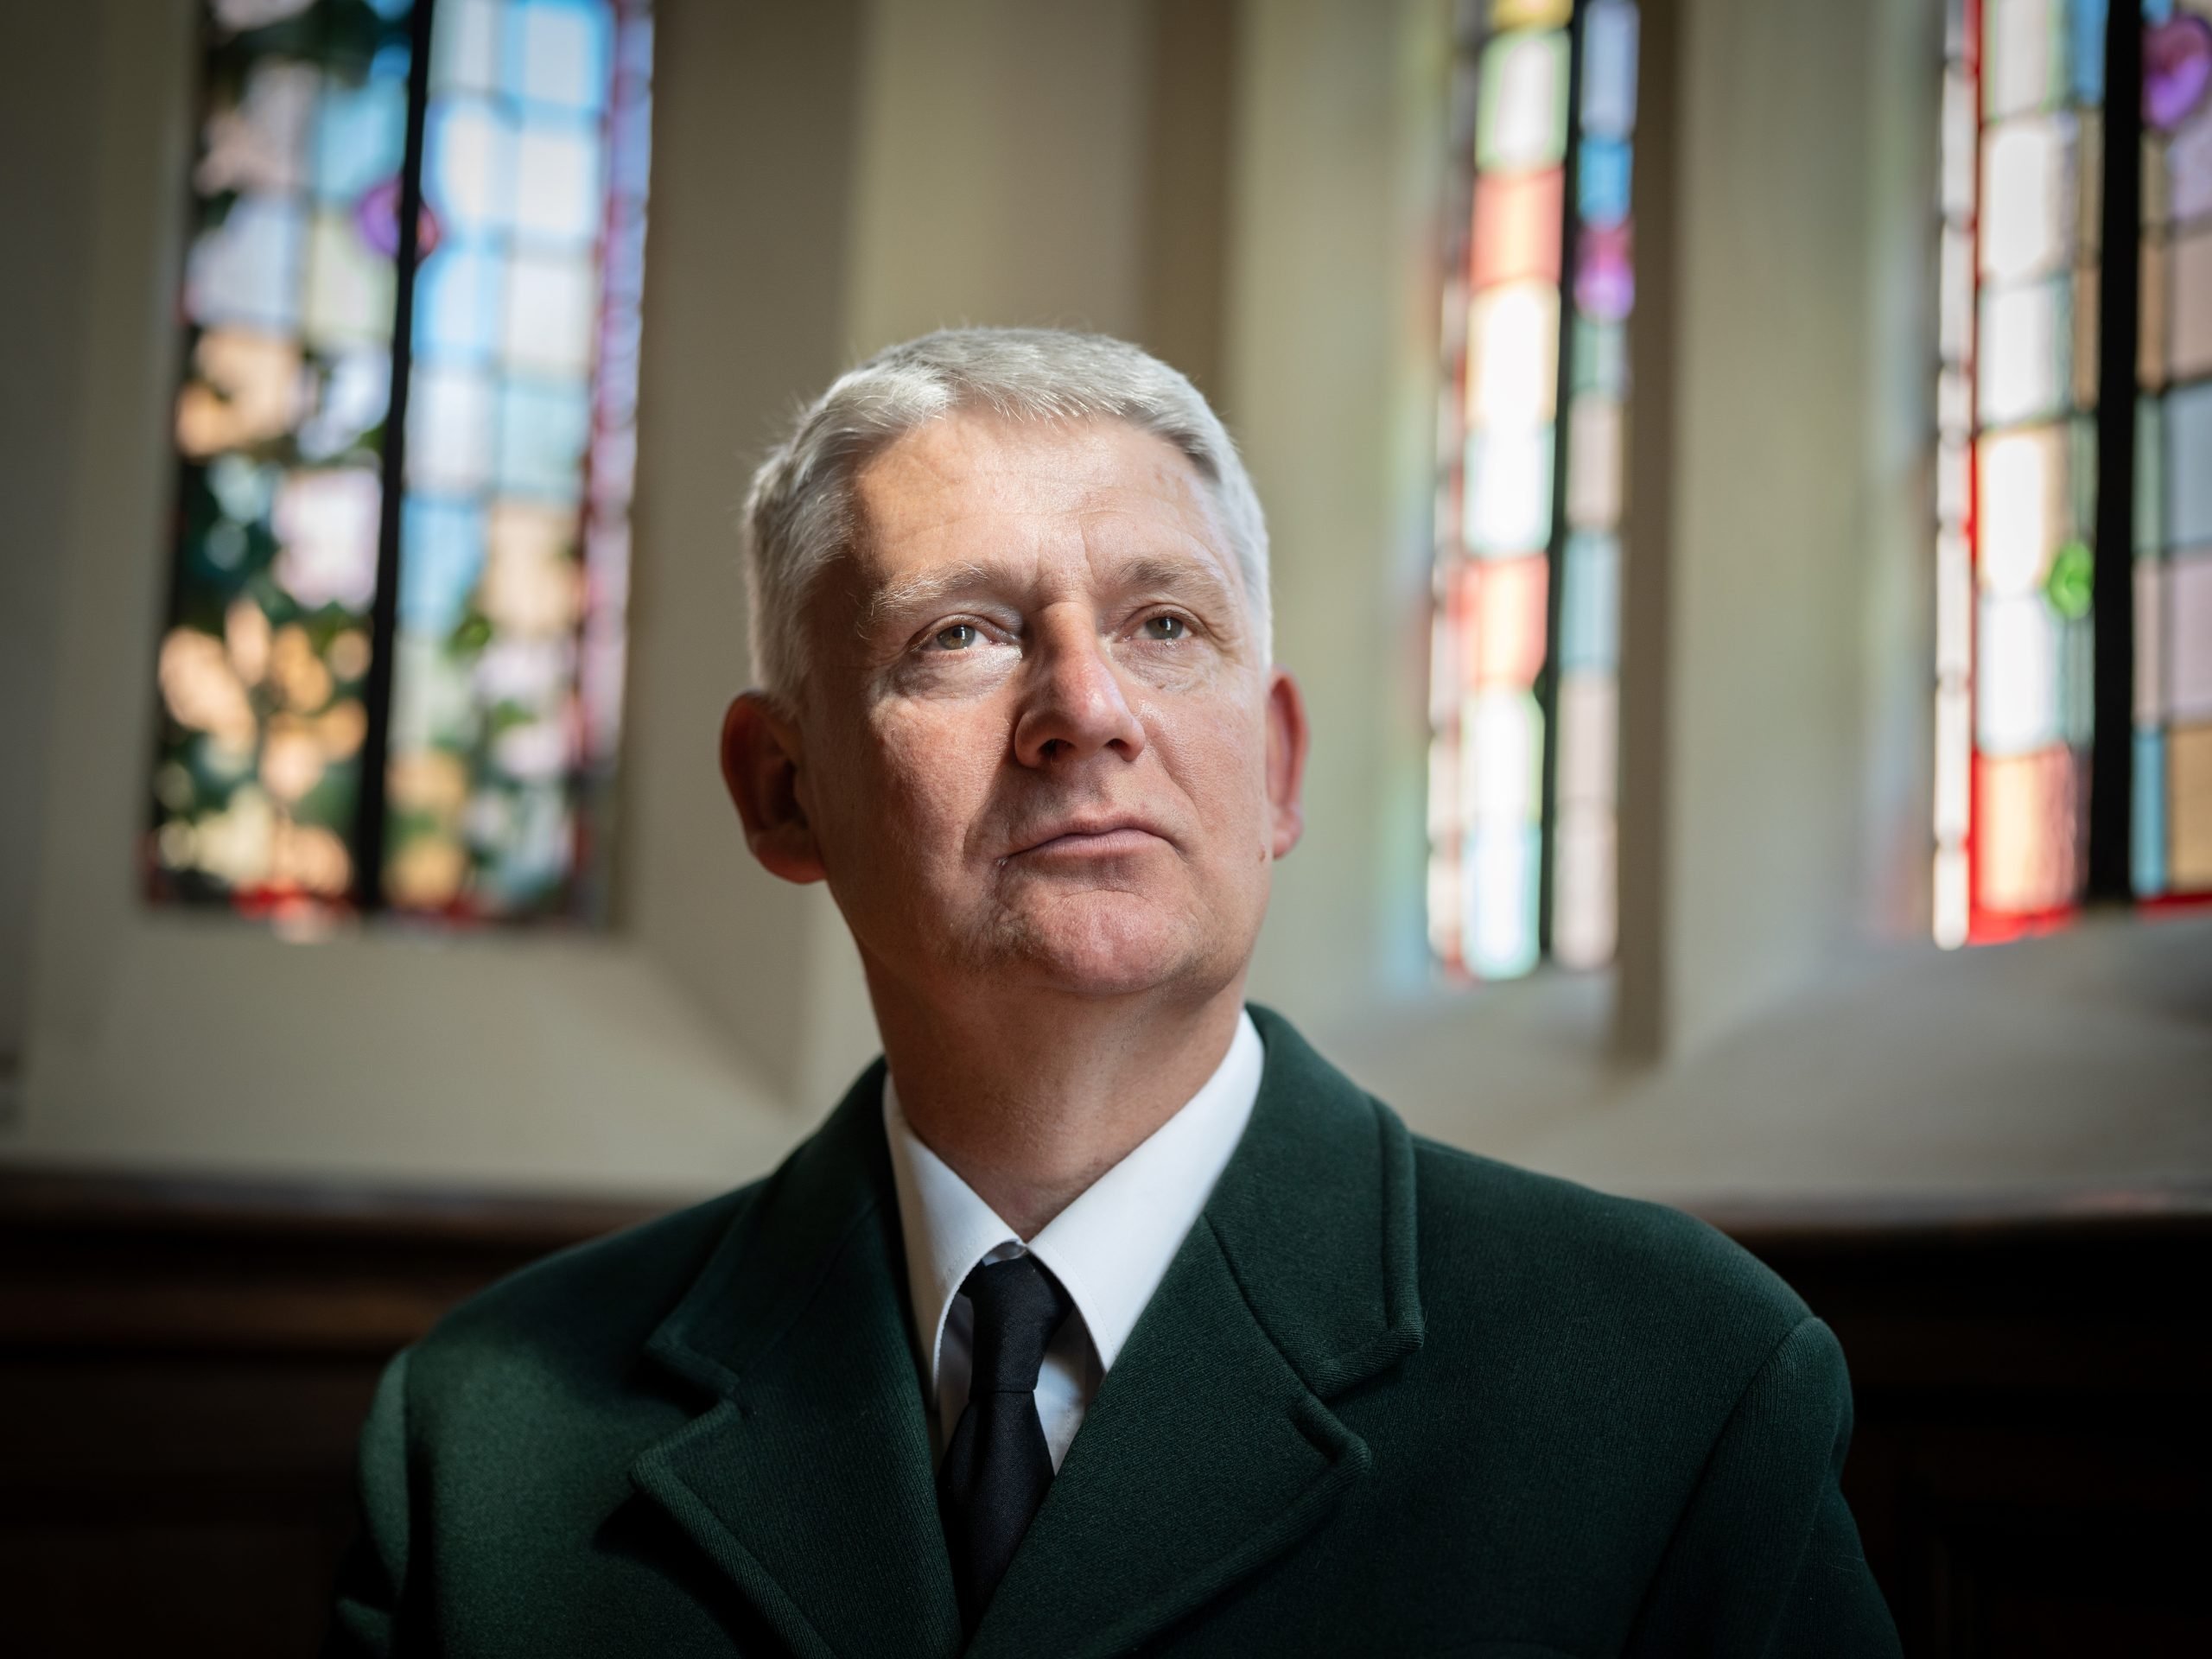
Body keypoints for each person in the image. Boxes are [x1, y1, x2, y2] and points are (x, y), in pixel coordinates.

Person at [325, 328, 1901, 1658]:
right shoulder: (489, 1446)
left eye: (1165, 625)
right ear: (783, 790)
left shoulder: (1680, 1389)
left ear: (1272, 766)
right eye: (961, 636)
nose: (1084, 707)